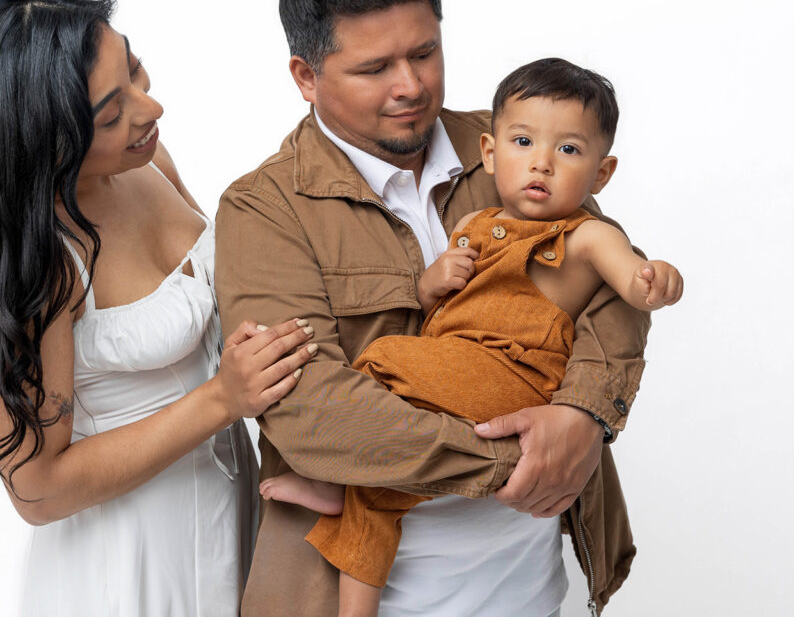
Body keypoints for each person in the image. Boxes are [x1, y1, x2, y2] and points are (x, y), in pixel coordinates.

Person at [214, 0, 652, 617]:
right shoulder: (264, 208)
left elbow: (612, 289)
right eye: (374, 69)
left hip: (533, 587)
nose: (411, 86)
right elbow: (309, 410)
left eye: (425, 52)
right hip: (365, 597)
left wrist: (583, 415)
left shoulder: (513, 140)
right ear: (306, 76)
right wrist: (528, 458)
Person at [0, 0, 316, 616]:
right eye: (110, 114)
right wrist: (221, 400)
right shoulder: (38, 265)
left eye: (135, 69)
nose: (150, 108)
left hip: (230, 513)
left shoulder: (147, 163)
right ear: (45, 140)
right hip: (129, 564)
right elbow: (37, 489)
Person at [259, 57, 684, 616]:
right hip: (459, 370)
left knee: (383, 357)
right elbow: (438, 308)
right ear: (490, 152)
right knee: (378, 496)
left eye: (568, 150)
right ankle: (349, 518)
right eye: (524, 142)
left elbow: (630, 282)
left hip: (517, 378)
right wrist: (431, 283)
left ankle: (337, 479)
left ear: (601, 175)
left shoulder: (587, 237)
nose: (542, 163)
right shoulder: (471, 226)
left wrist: (654, 280)